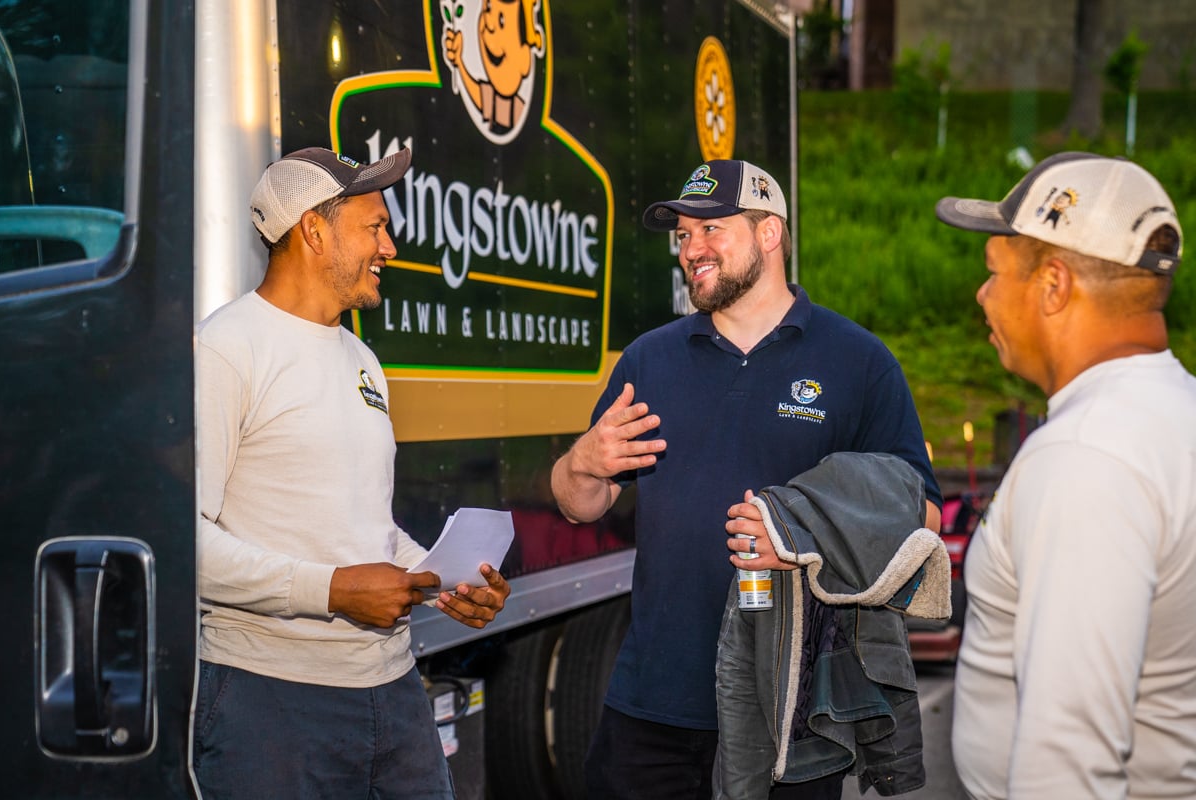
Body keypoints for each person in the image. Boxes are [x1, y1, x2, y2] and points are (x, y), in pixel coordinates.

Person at [550, 158, 942, 799]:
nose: (691, 249)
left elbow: (920, 513)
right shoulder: (650, 358)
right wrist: (582, 463)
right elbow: (579, 507)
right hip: (652, 701)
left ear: (769, 233)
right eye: (683, 236)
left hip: (791, 709)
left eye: (711, 230)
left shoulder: (856, 362)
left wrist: (800, 542)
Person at [194, 146, 511, 798]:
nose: (390, 247)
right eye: (374, 227)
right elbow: (179, 540)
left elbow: (367, 526)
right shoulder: (225, 348)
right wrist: (332, 591)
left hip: (392, 692)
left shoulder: (363, 359)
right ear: (313, 230)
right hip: (269, 701)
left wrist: (444, 579)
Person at [937, 151, 1196, 798]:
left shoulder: (1087, 456)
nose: (981, 293)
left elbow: (1070, 760)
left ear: (1053, 285)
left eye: (994, 271)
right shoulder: (1174, 412)